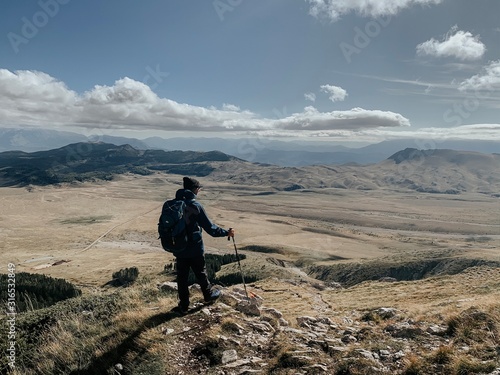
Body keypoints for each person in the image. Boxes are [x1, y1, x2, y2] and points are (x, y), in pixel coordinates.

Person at [173, 176, 235, 314]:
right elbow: (210, 229)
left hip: (179, 247)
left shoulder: (175, 204)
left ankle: (183, 305)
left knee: (182, 277)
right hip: (194, 248)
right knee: (200, 272)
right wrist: (226, 233)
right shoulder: (195, 206)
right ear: (195, 189)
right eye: (198, 188)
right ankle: (208, 295)